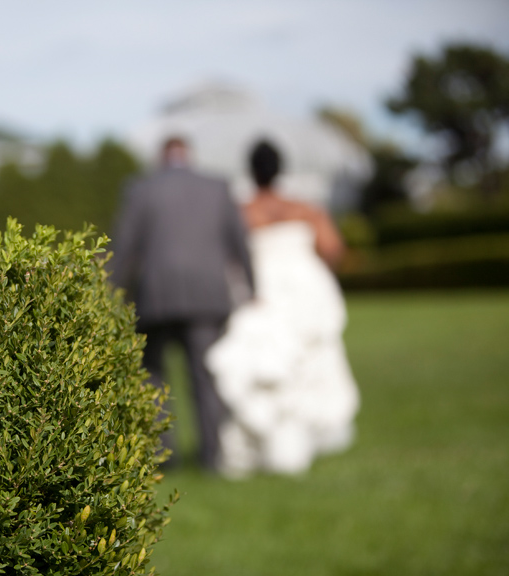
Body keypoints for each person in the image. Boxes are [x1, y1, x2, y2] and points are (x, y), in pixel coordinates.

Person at [205, 139, 360, 477]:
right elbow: (333, 249)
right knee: (308, 360)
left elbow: (225, 255)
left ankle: (269, 442)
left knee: (262, 361)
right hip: (304, 291)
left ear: (251, 171)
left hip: (259, 292)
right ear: (280, 169)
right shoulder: (305, 210)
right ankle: (296, 441)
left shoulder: (241, 211)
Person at [109, 136, 255, 471]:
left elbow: (124, 246)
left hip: (156, 297)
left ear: (162, 157)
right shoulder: (217, 186)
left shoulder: (141, 188)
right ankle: (211, 457)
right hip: (207, 298)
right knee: (204, 378)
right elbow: (239, 241)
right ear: (189, 155)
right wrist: (252, 286)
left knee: (153, 377)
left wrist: (110, 291)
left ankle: (164, 456)